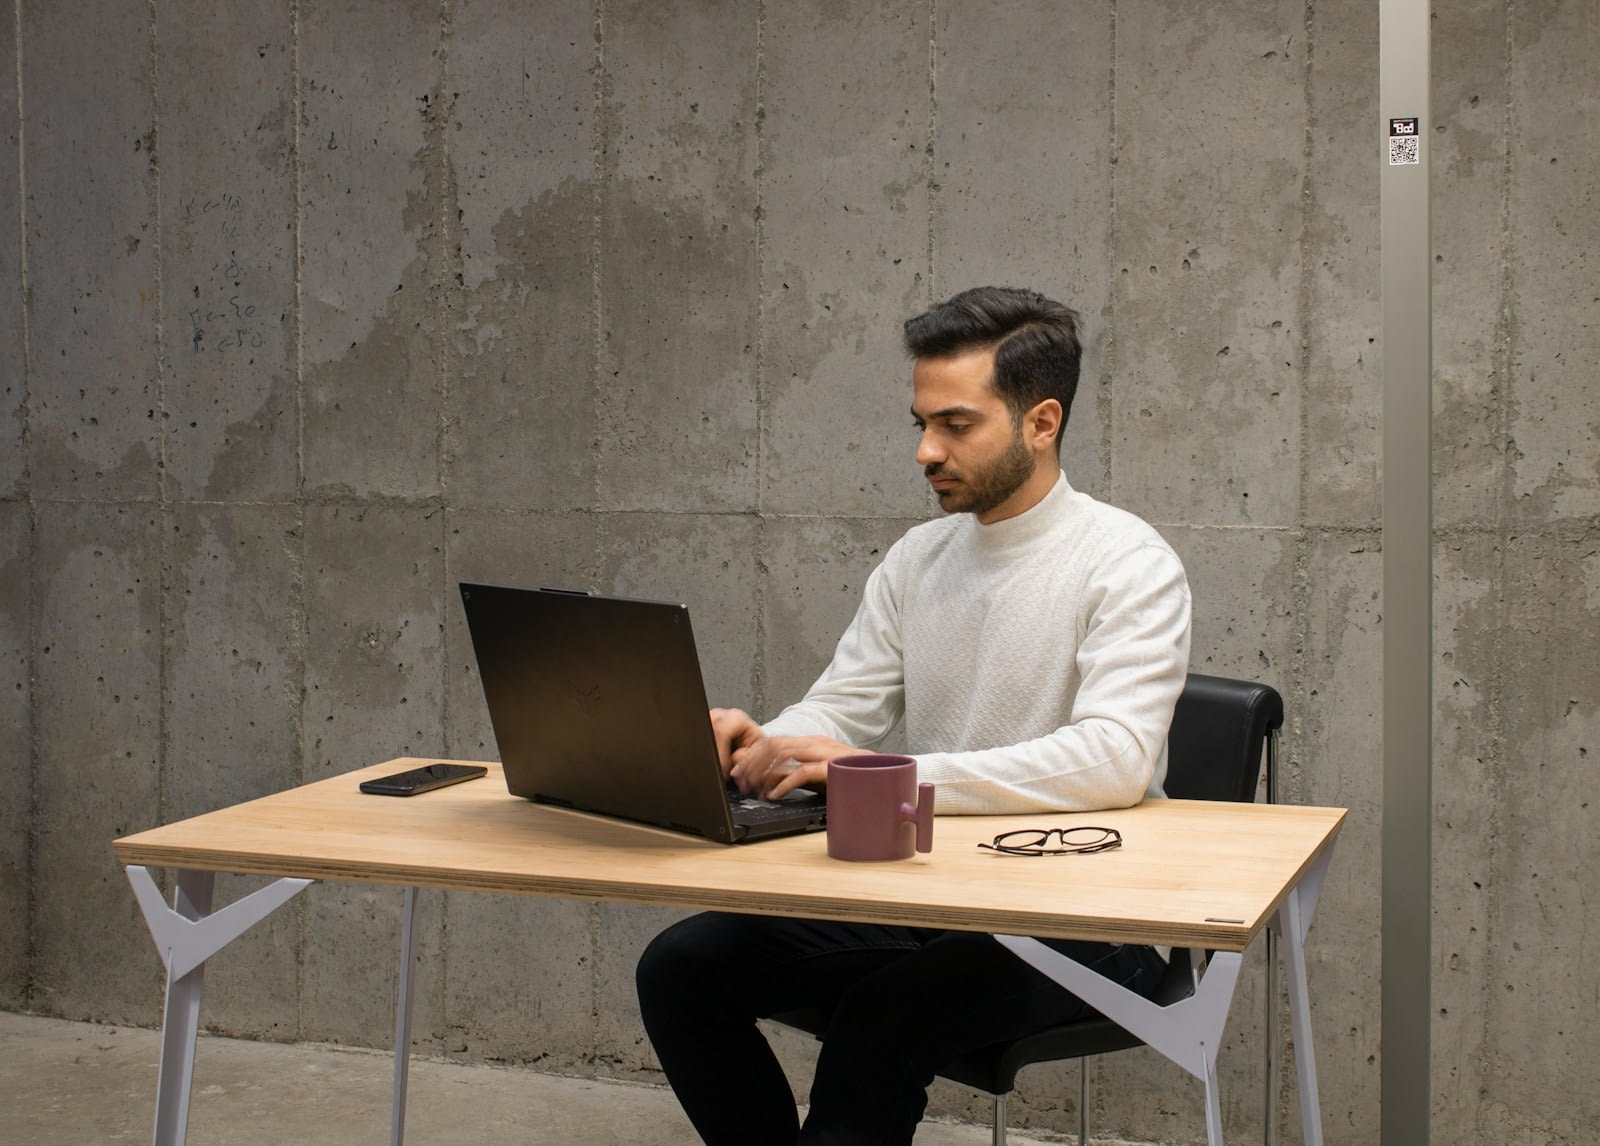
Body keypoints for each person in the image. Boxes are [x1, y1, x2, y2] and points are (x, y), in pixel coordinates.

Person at [635, 285, 1192, 1146]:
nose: (927, 450)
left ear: (1041, 422)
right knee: (680, 968)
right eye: (920, 423)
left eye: (957, 425)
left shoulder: (1127, 562)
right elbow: (844, 707)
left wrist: (887, 778)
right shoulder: (920, 557)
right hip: (934, 895)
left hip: (1084, 920)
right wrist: (767, 743)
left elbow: (1114, 758)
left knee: (882, 1017)